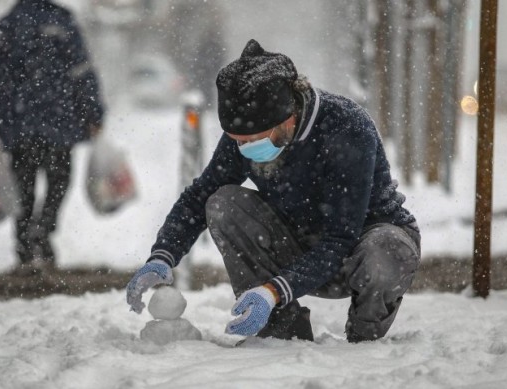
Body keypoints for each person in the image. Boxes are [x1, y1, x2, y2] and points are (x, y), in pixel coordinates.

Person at [126, 39, 420, 343]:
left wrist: (273, 291)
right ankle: (280, 335)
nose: (245, 149)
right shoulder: (246, 133)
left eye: (253, 140)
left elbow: (339, 238)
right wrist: (163, 255)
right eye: (237, 140)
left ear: (287, 117)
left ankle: (364, 343)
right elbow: (200, 196)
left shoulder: (346, 128)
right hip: (297, 248)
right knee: (222, 204)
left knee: (386, 252)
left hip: (358, 250)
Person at [0, 0, 105, 273]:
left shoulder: (6, 26)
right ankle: (43, 228)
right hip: (58, 121)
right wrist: (93, 113)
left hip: (18, 123)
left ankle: (24, 245)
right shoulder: (62, 23)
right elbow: (82, 72)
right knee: (59, 180)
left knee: (23, 183)